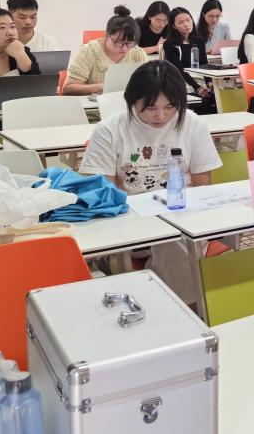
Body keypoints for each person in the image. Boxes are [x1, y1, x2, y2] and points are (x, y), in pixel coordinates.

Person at [79, 61, 222, 304]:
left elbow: (202, 186)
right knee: (175, 247)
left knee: (177, 243)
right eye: (150, 107)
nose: (161, 116)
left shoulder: (193, 124)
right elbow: (106, 195)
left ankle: (171, 307)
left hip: (182, 217)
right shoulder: (110, 130)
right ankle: (182, 308)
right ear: (132, 101)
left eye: (170, 107)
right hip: (132, 222)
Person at [63, 5, 148, 96]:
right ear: (107, 36)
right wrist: (103, 86)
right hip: (93, 103)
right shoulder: (87, 52)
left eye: (130, 43)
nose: (125, 48)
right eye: (119, 43)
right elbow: (68, 89)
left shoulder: (137, 53)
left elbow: (150, 83)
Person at [162, 7, 214, 113]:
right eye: (181, 22)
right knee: (205, 105)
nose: (186, 24)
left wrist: (210, 83)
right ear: (174, 26)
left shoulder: (198, 41)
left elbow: (204, 64)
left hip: (200, 82)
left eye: (188, 20)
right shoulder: (170, 44)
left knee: (219, 98)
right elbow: (178, 70)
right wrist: (197, 87)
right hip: (182, 84)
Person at [0, 8, 40, 101]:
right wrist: (17, 93)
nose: (10, 32)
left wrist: (21, 56)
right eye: (2, 28)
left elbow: (38, 89)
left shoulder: (21, 51)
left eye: (12, 27)